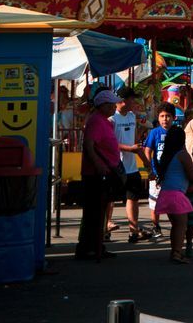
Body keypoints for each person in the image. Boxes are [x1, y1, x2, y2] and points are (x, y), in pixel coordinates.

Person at [146, 103, 193, 263]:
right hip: (176, 195)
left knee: (176, 225)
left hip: (166, 194)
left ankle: (174, 252)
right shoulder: (183, 155)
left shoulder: (167, 156)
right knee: (181, 226)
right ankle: (176, 253)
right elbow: (192, 176)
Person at [76, 88, 122, 262]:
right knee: (93, 213)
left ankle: (96, 247)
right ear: (102, 105)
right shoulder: (96, 121)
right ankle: (90, 249)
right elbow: (89, 145)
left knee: (98, 213)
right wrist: (98, 164)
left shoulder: (103, 120)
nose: (113, 107)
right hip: (95, 174)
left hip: (102, 172)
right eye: (111, 104)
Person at [110, 88, 154, 242]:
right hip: (116, 166)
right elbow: (110, 144)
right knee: (110, 199)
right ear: (123, 99)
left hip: (132, 166)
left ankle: (133, 231)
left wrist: (147, 164)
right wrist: (130, 149)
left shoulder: (131, 116)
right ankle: (104, 229)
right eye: (132, 99)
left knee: (133, 198)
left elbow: (136, 143)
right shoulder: (111, 119)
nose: (134, 103)